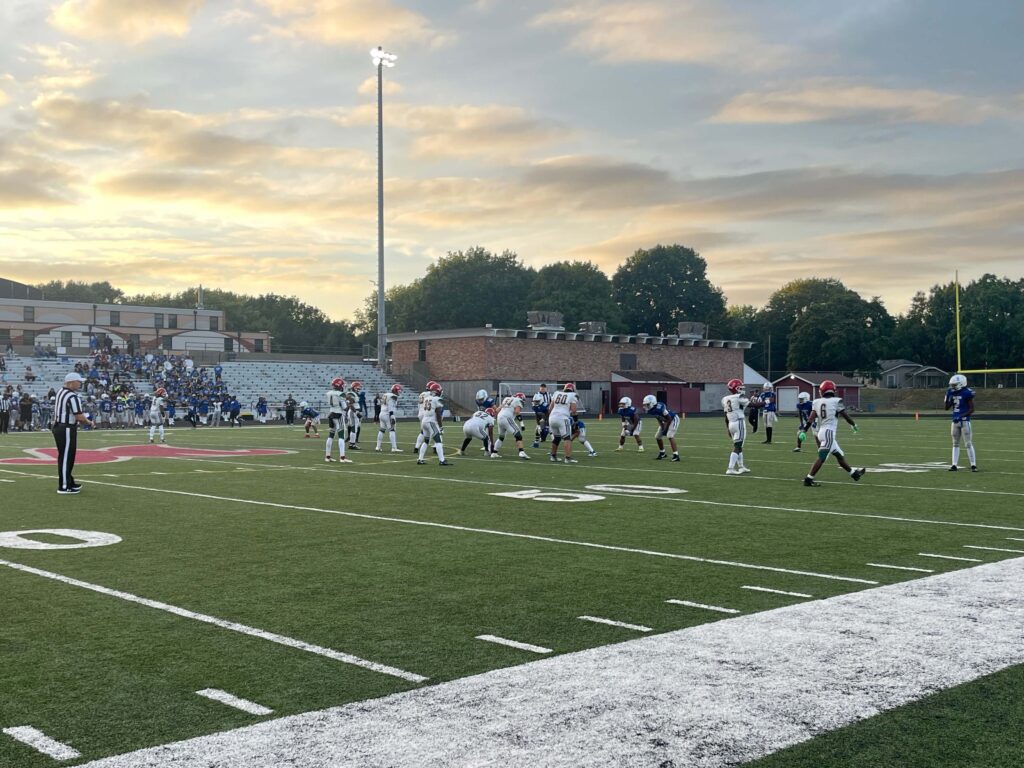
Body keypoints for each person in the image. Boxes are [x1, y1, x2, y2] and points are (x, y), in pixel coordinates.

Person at [802, 379, 865, 486]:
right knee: (822, 457)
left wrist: (804, 430)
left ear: (822, 390)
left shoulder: (816, 402)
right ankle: (808, 479)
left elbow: (810, 419)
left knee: (839, 455)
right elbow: (845, 416)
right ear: (833, 390)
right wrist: (853, 425)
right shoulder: (836, 401)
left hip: (821, 432)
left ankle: (854, 474)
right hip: (829, 433)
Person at [52, 372, 91, 494]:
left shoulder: (60, 392)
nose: (80, 384)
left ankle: (69, 481)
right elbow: (79, 416)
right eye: (78, 381)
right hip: (66, 428)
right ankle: (64, 486)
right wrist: (89, 422)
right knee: (66, 457)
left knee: (66, 456)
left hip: (60, 426)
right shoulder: (72, 396)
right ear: (71, 382)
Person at [945, 374, 977, 471]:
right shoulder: (951, 392)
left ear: (961, 383)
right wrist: (948, 399)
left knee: (968, 443)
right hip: (955, 421)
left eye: (955, 385)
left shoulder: (967, 393)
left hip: (964, 422)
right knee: (955, 443)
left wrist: (961, 416)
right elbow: (946, 408)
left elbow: (972, 409)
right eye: (952, 385)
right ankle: (954, 465)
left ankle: (973, 465)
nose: (953, 387)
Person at [417, 380, 452, 465]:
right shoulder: (437, 399)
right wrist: (440, 427)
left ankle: (420, 459)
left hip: (424, 421)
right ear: (438, 391)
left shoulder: (427, 398)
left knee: (426, 441)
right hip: (431, 422)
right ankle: (442, 460)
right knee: (438, 441)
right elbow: (438, 414)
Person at [722, 378, 750, 475]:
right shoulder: (738, 397)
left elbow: (726, 415)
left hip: (731, 423)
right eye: (740, 387)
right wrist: (766, 403)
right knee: (737, 446)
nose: (742, 389)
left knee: (739, 445)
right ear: (736, 388)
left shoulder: (725, 399)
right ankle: (730, 468)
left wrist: (727, 428)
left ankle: (741, 466)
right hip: (739, 423)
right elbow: (753, 405)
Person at [547, 382, 579, 464]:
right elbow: (574, 411)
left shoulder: (556, 393)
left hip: (552, 417)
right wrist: (576, 421)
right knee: (567, 438)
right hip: (562, 418)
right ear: (572, 389)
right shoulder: (572, 395)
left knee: (556, 438)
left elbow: (550, 408)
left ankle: (553, 456)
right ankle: (568, 458)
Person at [494, 391, 531, 460]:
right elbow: (517, 412)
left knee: (501, 437)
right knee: (518, 434)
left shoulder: (507, 399)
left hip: (499, 417)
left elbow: (497, 410)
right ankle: (521, 452)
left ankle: (494, 453)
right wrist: (522, 424)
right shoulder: (518, 400)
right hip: (507, 417)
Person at [642, 394, 680, 461]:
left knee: (670, 435)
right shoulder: (651, 410)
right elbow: (658, 418)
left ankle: (676, 455)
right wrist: (662, 427)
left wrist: (665, 429)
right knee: (657, 437)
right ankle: (662, 453)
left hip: (673, 419)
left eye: (647, 404)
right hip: (665, 420)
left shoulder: (660, 408)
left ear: (652, 403)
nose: (646, 406)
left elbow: (669, 418)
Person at [324, 377, 352, 463]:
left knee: (331, 435)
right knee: (341, 436)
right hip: (338, 415)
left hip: (331, 414)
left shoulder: (329, 393)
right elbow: (344, 408)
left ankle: (327, 456)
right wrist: (348, 404)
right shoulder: (341, 394)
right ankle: (342, 457)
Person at [375, 384, 403, 452]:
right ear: (395, 390)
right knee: (392, 430)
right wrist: (392, 416)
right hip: (388, 414)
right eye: (398, 391)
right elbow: (391, 407)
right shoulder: (392, 396)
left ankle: (378, 447)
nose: (399, 392)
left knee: (382, 430)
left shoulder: (386, 394)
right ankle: (394, 447)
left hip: (382, 413)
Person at [530, 383, 551, 448]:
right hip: (539, 412)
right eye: (541, 389)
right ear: (540, 388)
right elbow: (533, 404)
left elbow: (551, 402)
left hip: (546, 411)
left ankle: (541, 439)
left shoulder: (549, 394)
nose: (542, 390)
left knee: (547, 426)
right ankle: (539, 440)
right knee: (540, 426)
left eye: (543, 389)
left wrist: (549, 408)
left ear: (546, 389)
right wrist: (537, 410)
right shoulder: (536, 395)